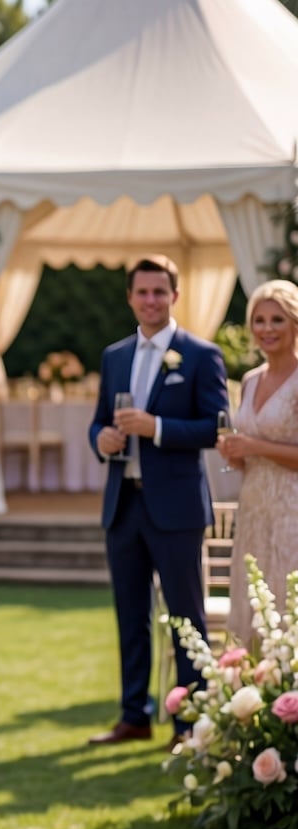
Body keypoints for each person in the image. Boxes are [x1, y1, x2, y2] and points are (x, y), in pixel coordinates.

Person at [88, 255, 227, 748]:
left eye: (159, 292)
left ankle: (191, 723)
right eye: (142, 292)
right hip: (123, 504)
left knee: (186, 618)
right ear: (130, 297)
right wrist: (100, 438)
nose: (150, 300)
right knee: (131, 615)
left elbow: (216, 426)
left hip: (177, 509)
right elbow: (100, 419)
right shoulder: (114, 355)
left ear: (175, 296)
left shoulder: (200, 354)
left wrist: (158, 429)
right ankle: (135, 716)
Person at [220, 279, 298, 642]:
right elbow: (250, 451)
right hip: (253, 508)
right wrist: (237, 455)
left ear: (295, 323)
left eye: (277, 320)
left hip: (292, 512)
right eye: (259, 320)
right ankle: (253, 695)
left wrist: (254, 445)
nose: (267, 329)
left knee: (287, 607)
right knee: (253, 605)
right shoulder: (250, 381)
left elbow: (260, 445)